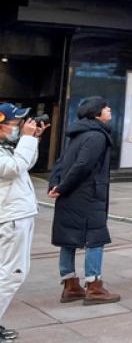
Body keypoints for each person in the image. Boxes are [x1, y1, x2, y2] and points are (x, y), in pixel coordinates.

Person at [48, 97, 120, 305]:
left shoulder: (76, 134)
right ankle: (94, 286)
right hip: (88, 195)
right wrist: (62, 187)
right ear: (96, 113)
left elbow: (62, 162)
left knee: (68, 238)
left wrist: (56, 185)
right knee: (95, 238)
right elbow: (82, 165)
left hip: (70, 195)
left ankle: (70, 286)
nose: (109, 109)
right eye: (106, 107)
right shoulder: (97, 136)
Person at [0, 103, 49, 341]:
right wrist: (27, 140)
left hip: (16, 214)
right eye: (16, 124)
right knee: (12, 274)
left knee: (8, 272)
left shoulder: (5, 147)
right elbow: (13, 168)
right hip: (11, 217)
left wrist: (33, 140)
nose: (20, 127)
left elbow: (24, 165)